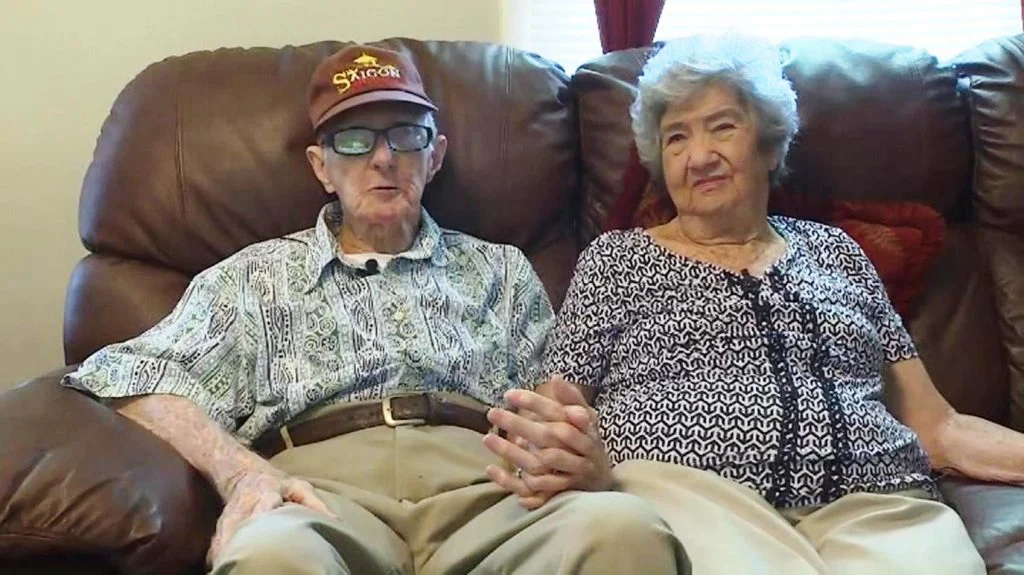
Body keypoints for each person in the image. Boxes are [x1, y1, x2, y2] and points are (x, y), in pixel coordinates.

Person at [62, 44, 689, 575]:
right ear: (321, 167)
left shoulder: (502, 269)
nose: (383, 158)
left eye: (405, 136)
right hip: (324, 499)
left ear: (434, 155)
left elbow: (556, 406)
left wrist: (579, 455)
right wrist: (240, 474)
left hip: (491, 497)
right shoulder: (252, 277)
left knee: (622, 530)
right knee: (270, 557)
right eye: (354, 140)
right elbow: (133, 374)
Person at [483, 35, 1023, 574]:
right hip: (689, 506)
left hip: (878, 506)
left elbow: (938, 426)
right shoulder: (616, 260)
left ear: (768, 143)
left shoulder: (838, 252)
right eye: (676, 138)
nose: (699, 157)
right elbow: (557, 414)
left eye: (722, 127)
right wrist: (562, 450)